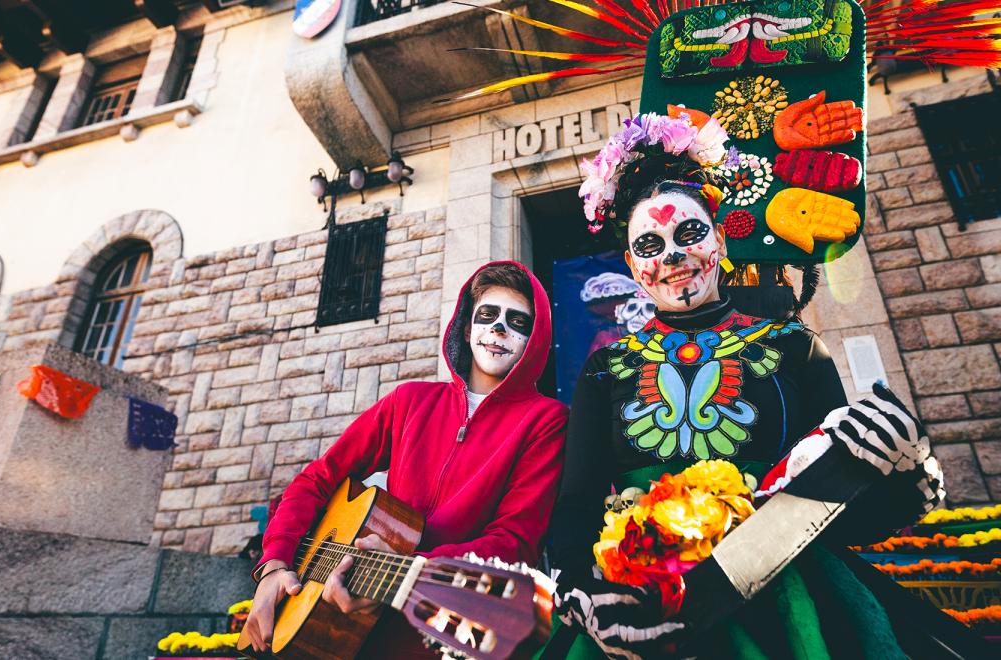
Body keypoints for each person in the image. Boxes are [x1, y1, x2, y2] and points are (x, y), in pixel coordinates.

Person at [546, 112, 946, 658]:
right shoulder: (601, 369)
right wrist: (577, 592)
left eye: (689, 234)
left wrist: (905, 478)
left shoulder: (797, 348)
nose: (672, 256)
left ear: (721, 239)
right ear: (632, 266)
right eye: (650, 245)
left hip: (789, 599)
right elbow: (577, 503)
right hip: (641, 607)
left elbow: (843, 513)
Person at [242, 261, 568, 655]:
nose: (499, 329)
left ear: (534, 341)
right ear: (466, 329)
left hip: (448, 634)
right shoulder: (409, 401)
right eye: (488, 315)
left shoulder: (547, 420)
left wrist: (410, 569)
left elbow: (515, 542)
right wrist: (275, 564)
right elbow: (318, 478)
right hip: (357, 634)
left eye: (517, 322)